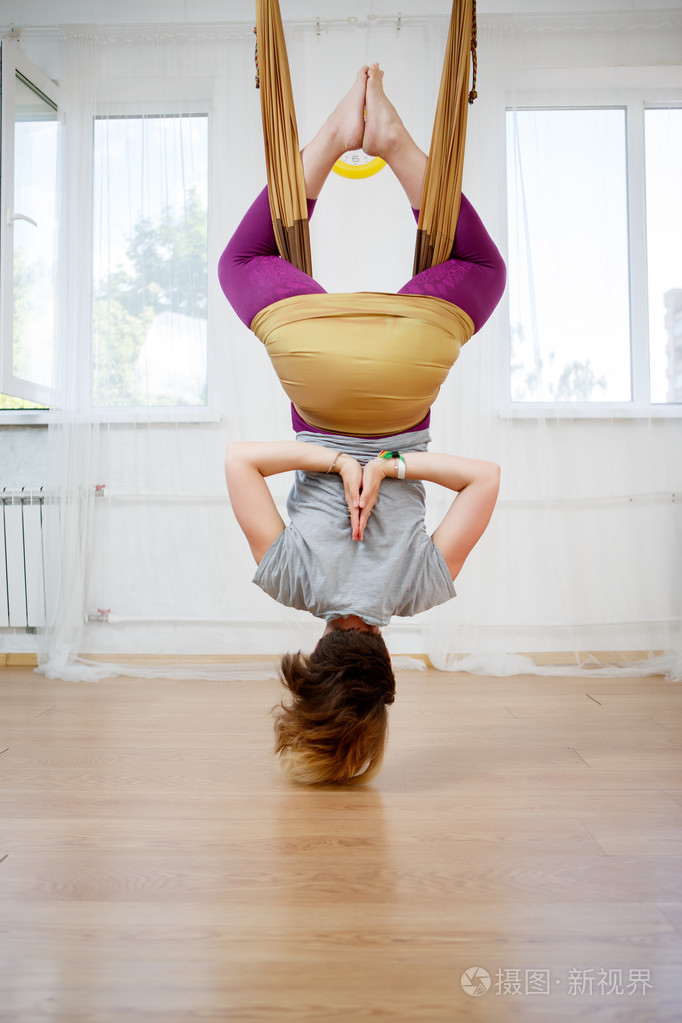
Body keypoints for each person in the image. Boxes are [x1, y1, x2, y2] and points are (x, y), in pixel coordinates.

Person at [219, 66, 505, 785]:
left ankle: (394, 144)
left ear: (387, 671)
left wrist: (390, 465)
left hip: (408, 368)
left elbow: (485, 479)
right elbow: (240, 461)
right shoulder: (289, 581)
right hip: (315, 365)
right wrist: (331, 459)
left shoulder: (417, 588)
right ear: (313, 658)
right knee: (244, 261)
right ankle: (334, 137)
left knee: (480, 266)